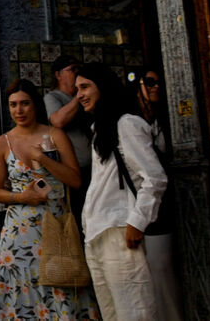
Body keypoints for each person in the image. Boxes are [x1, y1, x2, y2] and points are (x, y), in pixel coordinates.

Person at [0, 79, 93, 319]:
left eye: (25, 103)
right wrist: (22, 196)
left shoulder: (55, 135)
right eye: (13, 105)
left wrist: (44, 159)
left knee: (61, 286)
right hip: (18, 234)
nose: (19, 110)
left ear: (35, 105)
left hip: (55, 227)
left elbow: (76, 180)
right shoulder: (1, 144)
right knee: (21, 292)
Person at [77, 62, 167, 321]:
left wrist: (137, 222)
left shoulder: (126, 124)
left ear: (102, 87)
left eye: (85, 87)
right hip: (97, 233)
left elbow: (155, 178)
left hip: (119, 231)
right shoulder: (99, 130)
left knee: (134, 313)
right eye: (77, 89)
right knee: (112, 314)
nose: (80, 95)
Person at [129, 68, 182, 321]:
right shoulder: (130, 123)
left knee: (165, 276)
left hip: (169, 207)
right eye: (149, 82)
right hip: (145, 212)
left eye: (159, 82)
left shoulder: (170, 117)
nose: (156, 87)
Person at [44, 54, 92, 219]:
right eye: (72, 69)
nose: (76, 72)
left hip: (95, 167)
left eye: (78, 69)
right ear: (58, 75)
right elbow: (58, 120)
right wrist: (79, 96)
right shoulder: (53, 98)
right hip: (76, 171)